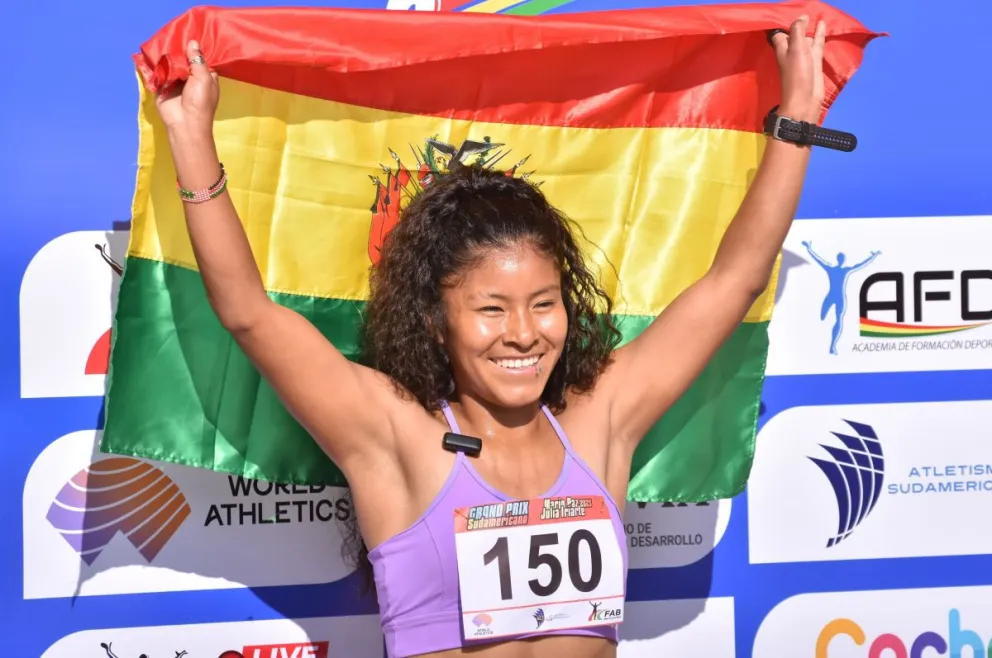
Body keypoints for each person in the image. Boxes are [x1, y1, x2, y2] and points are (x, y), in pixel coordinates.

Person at [155, 14, 828, 658]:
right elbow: (248, 312)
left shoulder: (601, 417)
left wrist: (794, 125)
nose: (524, 334)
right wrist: (192, 146)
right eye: (492, 310)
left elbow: (735, 281)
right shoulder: (393, 430)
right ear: (433, 316)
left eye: (544, 303)